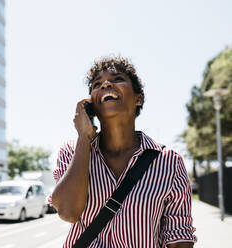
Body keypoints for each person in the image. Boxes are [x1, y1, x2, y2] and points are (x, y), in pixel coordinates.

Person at [50, 56, 196, 248]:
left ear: (138, 98)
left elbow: (180, 238)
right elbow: (68, 212)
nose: (106, 84)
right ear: (90, 104)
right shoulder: (72, 151)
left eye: (117, 78)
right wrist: (83, 138)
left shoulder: (169, 162)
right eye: (97, 83)